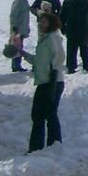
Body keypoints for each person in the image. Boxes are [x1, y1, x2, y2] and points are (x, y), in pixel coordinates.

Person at [21, 10, 66, 152]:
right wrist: (23, 54)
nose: (40, 24)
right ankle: (41, 146)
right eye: (40, 21)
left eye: (44, 22)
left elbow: (59, 57)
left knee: (48, 114)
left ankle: (52, 145)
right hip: (44, 81)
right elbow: (38, 60)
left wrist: (52, 72)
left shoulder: (53, 37)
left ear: (51, 24)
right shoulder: (44, 39)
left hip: (52, 81)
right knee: (39, 115)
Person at [60, 0, 88, 75]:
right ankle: (87, 65)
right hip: (83, 27)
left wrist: (62, 28)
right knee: (84, 47)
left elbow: (63, 15)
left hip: (71, 27)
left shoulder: (68, 0)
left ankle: (71, 67)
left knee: (71, 49)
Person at [9, 0, 32, 72]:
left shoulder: (24, 1)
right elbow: (13, 15)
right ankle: (15, 66)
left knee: (19, 46)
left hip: (21, 28)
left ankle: (17, 65)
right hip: (17, 29)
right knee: (16, 47)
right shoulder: (19, 1)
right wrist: (15, 28)